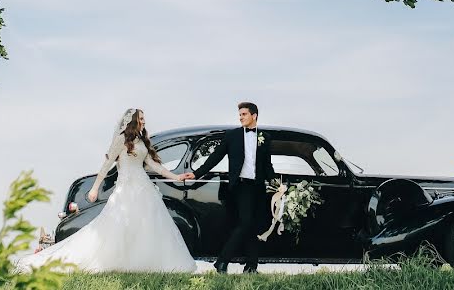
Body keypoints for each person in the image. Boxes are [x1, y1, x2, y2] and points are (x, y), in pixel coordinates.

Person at [17, 108, 196, 273]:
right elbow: (107, 164)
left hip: (144, 187)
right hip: (125, 187)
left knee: (147, 224)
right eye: (141, 119)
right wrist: (94, 189)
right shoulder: (121, 139)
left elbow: (153, 165)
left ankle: (143, 261)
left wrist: (177, 177)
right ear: (133, 121)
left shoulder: (141, 141)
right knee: (118, 225)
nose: (144, 122)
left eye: (144, 119)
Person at [192, 102, 274, 274]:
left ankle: (251, 267)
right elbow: (215, 157)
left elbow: (267, 165)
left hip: (258, 187)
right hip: (240, 186)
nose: (240, 117)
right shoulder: (233, 135)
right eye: (240, 114)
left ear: (254, 116)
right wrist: (196, 174)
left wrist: (276, 183)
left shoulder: (265, 137)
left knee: (254, 225)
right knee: (245, 223)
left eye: (244, 114)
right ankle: (222, 261)